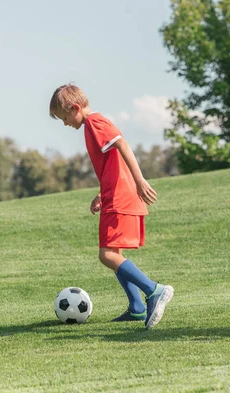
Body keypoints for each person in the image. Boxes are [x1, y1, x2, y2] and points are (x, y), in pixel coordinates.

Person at [49, 83, 174, 329]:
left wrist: (140, 181)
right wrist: (101, 193)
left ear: (75, 107)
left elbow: (123, 146)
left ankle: (154, 290)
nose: (65, 123)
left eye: (64, 117)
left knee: (106, 255)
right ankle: (137, 308)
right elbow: (113, 163)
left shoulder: (95, 123)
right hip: (114, 195)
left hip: (121, 197)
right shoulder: (91, 125)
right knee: (114, 254)